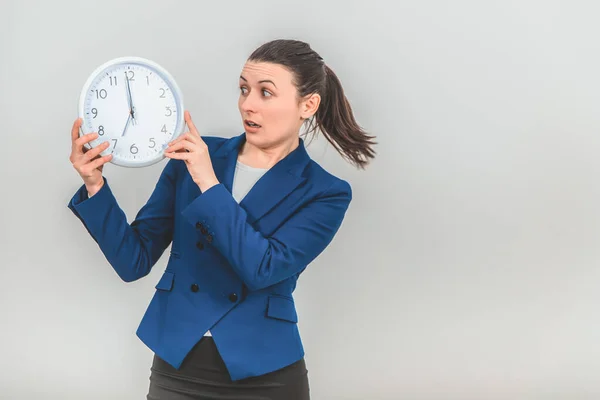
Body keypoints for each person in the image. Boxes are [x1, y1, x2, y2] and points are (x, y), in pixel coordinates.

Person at [67, 39, 376, 399]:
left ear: (308, 104)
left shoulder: (325, 191)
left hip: (266, 369)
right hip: (177, 363)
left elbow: (262, 268)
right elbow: (132, 262)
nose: (247, 104)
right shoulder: (196, 157)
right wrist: (94, 185)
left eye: (265, 93)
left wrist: (209, 182)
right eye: (244, 89)